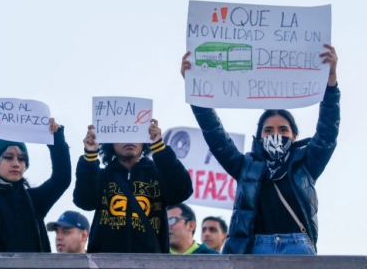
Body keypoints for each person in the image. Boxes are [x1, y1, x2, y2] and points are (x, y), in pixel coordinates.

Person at [181, 44, 340, 254]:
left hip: (297, 248)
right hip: (255, 248)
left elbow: (328, 130)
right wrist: (196, 91)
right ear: (259, 136)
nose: (276, 135)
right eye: (268, 130)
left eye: (283, 130)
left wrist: (331, 80)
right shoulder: (244, 166)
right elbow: (214, 133)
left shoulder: (307, 164)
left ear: (294, 136)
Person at [73, 119, 193, 253]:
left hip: (151, 264)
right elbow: (84, 202)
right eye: (122, 135)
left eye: (135, 134)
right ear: (110, 142)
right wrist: (89, 157)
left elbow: (183, 190)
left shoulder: (157, 176)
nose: (129, 140)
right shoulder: (101, 176)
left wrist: (161, 149)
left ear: (144, 140)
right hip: (104, 264)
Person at [0, 117, 71, 256]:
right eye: (8, 157)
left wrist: (56, 140)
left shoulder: (34, 200)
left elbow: (62, 179)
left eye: (21, 159)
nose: (16, 164)